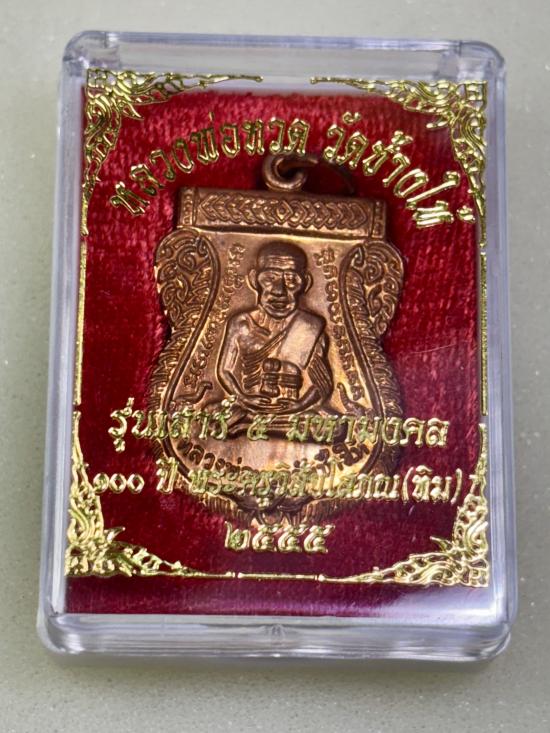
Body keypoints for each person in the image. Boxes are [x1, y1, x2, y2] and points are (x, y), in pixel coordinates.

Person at [217, 240, 333, 420]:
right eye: (270, 278)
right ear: (254, 280)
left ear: (306, 283)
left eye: (291, 280)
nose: (279, 291)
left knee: (333, 426)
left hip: (293, 414)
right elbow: (225, 371)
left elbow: (322, 384)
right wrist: (243, 398)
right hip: (248, 410)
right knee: (212, 421)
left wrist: (299, 405)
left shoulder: (309, 327)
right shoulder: (242, 323)